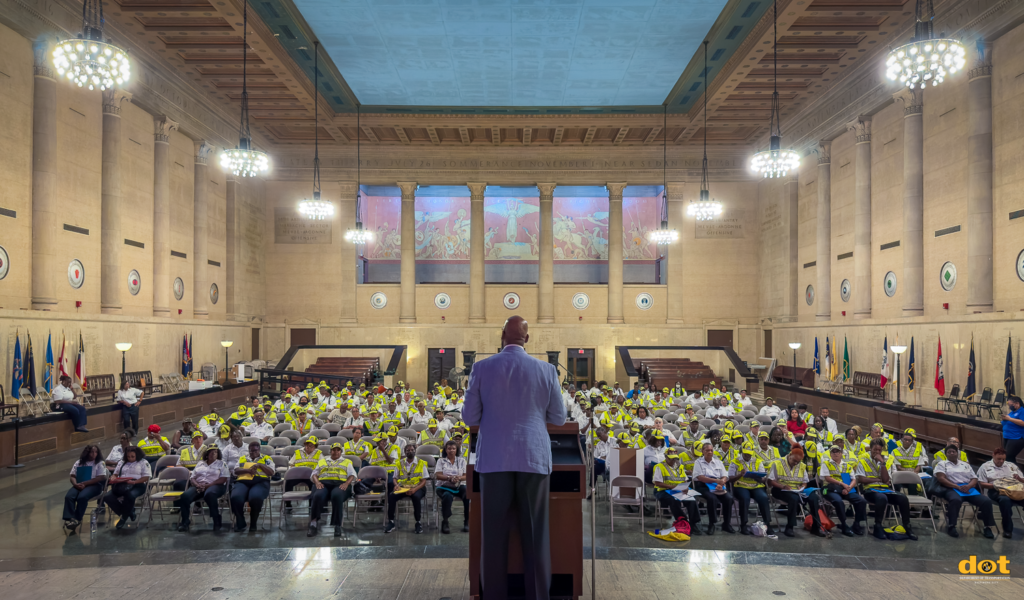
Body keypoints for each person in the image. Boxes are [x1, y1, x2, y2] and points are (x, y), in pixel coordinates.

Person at [463, 315, 566, 600]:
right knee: (535, 535)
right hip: (533, 457)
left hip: (494, 459)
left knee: (493, 537)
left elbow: (469, 416)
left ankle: (494, 595)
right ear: (527, 339)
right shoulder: (546, 370)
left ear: (501, 337)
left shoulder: (481, 368)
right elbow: (559, 418)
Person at [934, 444, 996, 538]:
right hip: (951, 488)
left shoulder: (965, 464)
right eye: (949, 452)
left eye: (953, 451)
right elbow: (941, 478)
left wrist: (968, 486)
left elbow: (974, 478)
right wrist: (957, 486)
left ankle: (987, 527)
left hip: (968, 488)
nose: (951, 453)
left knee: (986, 501)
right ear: (946, 454)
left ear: (957, 453)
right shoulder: (942, 464)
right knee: (955, 500)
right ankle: (952, 526)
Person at [766, 447, 825, 538]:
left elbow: (805, 482)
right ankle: (790, 527)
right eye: (794, 460)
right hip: (780, 489)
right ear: (790, 455)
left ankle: (816, 527)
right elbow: (770, 481)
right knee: (794, 498)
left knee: (814, 498)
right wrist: (783, 486)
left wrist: (803, 486)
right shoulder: (777, 463)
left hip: (797, 490)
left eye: (798, 461)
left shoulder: (802, 465)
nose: (796, 463)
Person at [308, 442, 358, 537]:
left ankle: (337, 525)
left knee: (337, 496)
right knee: (317, 495)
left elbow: (353, 475)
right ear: (330, 451)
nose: (336, 452)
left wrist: (346, 483)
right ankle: (313, 523)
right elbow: (314, 474)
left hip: (340, 484)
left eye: (338, 450)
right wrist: (317, 482)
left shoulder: (347, 462)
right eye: (333, 450)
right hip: (323, 483)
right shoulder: (322, 461)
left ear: (341, 452)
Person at [174, 446, 228, 531]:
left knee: (210, 494)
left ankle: (216, 519)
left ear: (218, 454)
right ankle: (185, 522)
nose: (213, 454)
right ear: (206, 454)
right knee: (185, 496)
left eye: (215, 452)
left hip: (216, 486)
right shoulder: (200, 463)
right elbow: (192, 477)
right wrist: (197, 485)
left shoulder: (222, 463)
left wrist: (208, 486)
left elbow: (223, 479)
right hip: (198, 485)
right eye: (210, 452)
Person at [652, 449, 702, 534]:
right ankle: (683, 521)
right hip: (663, 490)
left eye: (674, 459)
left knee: (692, 499)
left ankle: (693, 524)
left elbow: (685, 480)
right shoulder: (659, 467)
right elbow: (657, 483)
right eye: (670, 459)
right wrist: (672, 487)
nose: (673, 461)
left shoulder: (680, 467)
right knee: (673, 500)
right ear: (665, 456)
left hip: (678, 490)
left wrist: (685, 487)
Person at [820, 445, 866, 537]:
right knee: (838, 501)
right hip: (829, 489)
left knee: (861, 501)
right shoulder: (826, 464)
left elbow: (853, 479)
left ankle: (856, 524)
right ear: (830, 454)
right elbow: (827, 478)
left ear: (841, 454)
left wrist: (848, 488)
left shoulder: (847, 465)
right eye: (833, 452)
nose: (835, 453)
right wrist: (842, 484)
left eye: (837, 451)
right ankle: (844, 524)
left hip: (845, 489)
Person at [978, 448, 1024, 538]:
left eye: (1003, 459)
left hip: (1014, 490)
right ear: (993, 455)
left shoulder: (1011, 465)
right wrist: (997, 486)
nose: (1001, 461)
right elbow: (981, 483)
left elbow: (1023, 480)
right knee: (1005, 501)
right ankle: (1008, 529)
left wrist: (1018, 478)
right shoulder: (985, 466)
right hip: (996, 490)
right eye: (999, 459)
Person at [230, 441, 276, 532]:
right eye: (251, 451)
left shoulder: (266, 458)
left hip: (260, 482)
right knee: (235, 497)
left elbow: (271, 472)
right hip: (243, 481)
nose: (253, 453)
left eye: (255, 451)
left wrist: (259, 465)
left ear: (259, 450)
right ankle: (240, 521)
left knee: (255, 497)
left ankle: (253, 523)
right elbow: (236, 471)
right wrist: (247, 470)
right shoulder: (243, 458)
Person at [692, 441, 735, 535]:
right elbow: (700, 477)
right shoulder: (698, 462)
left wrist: (721, 483)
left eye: (711, 450)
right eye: (707, 450)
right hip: (703, 486)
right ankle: (712, 523)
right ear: (703, 451)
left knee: (729, 498)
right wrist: (716, 481)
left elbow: (724, 476)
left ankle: (726, 524)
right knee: (712, 498)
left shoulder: (718, 462)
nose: (710, 452)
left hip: (718, 486)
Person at [385, 443, 429, 534]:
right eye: (408, 450)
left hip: (417, 487)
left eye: (412, 450)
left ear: (415, 451)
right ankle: (391, 522)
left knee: (416, 497)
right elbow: (395, 478)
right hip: (403, 487)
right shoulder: (399, 463)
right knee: (391, 496)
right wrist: (396, 485)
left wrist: (415, 489)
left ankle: (418, 522)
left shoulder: (421, 463)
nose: (410, 452)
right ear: (405, 452)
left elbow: (424, 481)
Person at [730, 442, 773, 535]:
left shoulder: (758, 461)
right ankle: (743, 524)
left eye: (749, 454)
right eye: (745, 453)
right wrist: (740, 475)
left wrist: (756, 477)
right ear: (742, 452)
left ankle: (767, 524)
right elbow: (730, 479)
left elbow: (762, 480)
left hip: (756, 486)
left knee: (763, 497)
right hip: (740, 486)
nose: (747, 456)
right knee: (745, 498)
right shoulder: (735, 461)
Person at [104, 446, 151, 529]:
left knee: (129, 495)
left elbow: (146, 477)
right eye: (128, 456)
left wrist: (134, 482)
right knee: (107, 497)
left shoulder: (143, 462)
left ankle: (123, 518)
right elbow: (115, 474)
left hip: (138, 484)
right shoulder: (122, 462)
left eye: (132, 456)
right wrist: (113, 478)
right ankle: (129, 512)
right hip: (122, 485)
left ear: (137, 455)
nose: (130, 458)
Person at [63, 444, 106, 531]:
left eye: (96, 452)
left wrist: (86, 483)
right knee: (69, 496)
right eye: (92, 452)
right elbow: (72, 476)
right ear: (87, 452)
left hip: (94, 485)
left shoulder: (99, 463)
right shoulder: (79, 462)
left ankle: (77, 519)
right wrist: (75, 484)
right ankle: (70, 518)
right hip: (79, 484)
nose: (94, 454)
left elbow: (102, 477)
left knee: (82, 497)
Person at [435, 439, 470, 534]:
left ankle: (467, 521)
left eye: (453, 448)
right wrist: (449, 478)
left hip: (458, 485)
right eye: (449, 448)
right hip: (444, 486)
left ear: (456, 450)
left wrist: (458, 478)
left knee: (468, 494)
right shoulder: (441, 461)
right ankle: (445, 521)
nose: (451, 450)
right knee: (447, 496)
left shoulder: (462, 460)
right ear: (445, 450)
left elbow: (466, 476)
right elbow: (438, 475)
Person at [1001, 395, 1024, 466]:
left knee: (1008, 457)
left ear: (1017, 404)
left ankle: (1015, 474)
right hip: (1008, 437)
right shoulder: (1012, 412)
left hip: (1016, 438)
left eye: (1011, 405)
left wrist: (1009, 419)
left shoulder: (1022, 411)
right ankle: (1012, 474)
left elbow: (1022, 423)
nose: (1009, 406)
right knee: (1009, 458)